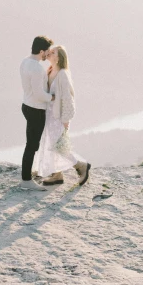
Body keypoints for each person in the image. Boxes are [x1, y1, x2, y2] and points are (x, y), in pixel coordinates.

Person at [35, 45, 90, 186]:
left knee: (58, 146)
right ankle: (56, 174)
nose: (49, 53)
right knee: (51, 145)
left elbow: (68, 98)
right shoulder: (50, 71)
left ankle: (80, 165)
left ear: (58, 58)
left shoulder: (63, 75)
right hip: (49, 115)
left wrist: (66, 119)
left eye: (52, 52)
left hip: (58, 117)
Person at [19, 35, 54, 191]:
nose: (48, 55)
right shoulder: (37, 68)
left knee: (30, 143)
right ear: (41, 51)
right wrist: (53, 97)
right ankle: (26, 180)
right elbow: (39, 94)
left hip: (27, 105)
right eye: (47, 52)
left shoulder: (25, 62)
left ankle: (27, 174)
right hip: (36, 109)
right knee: (32, 145)